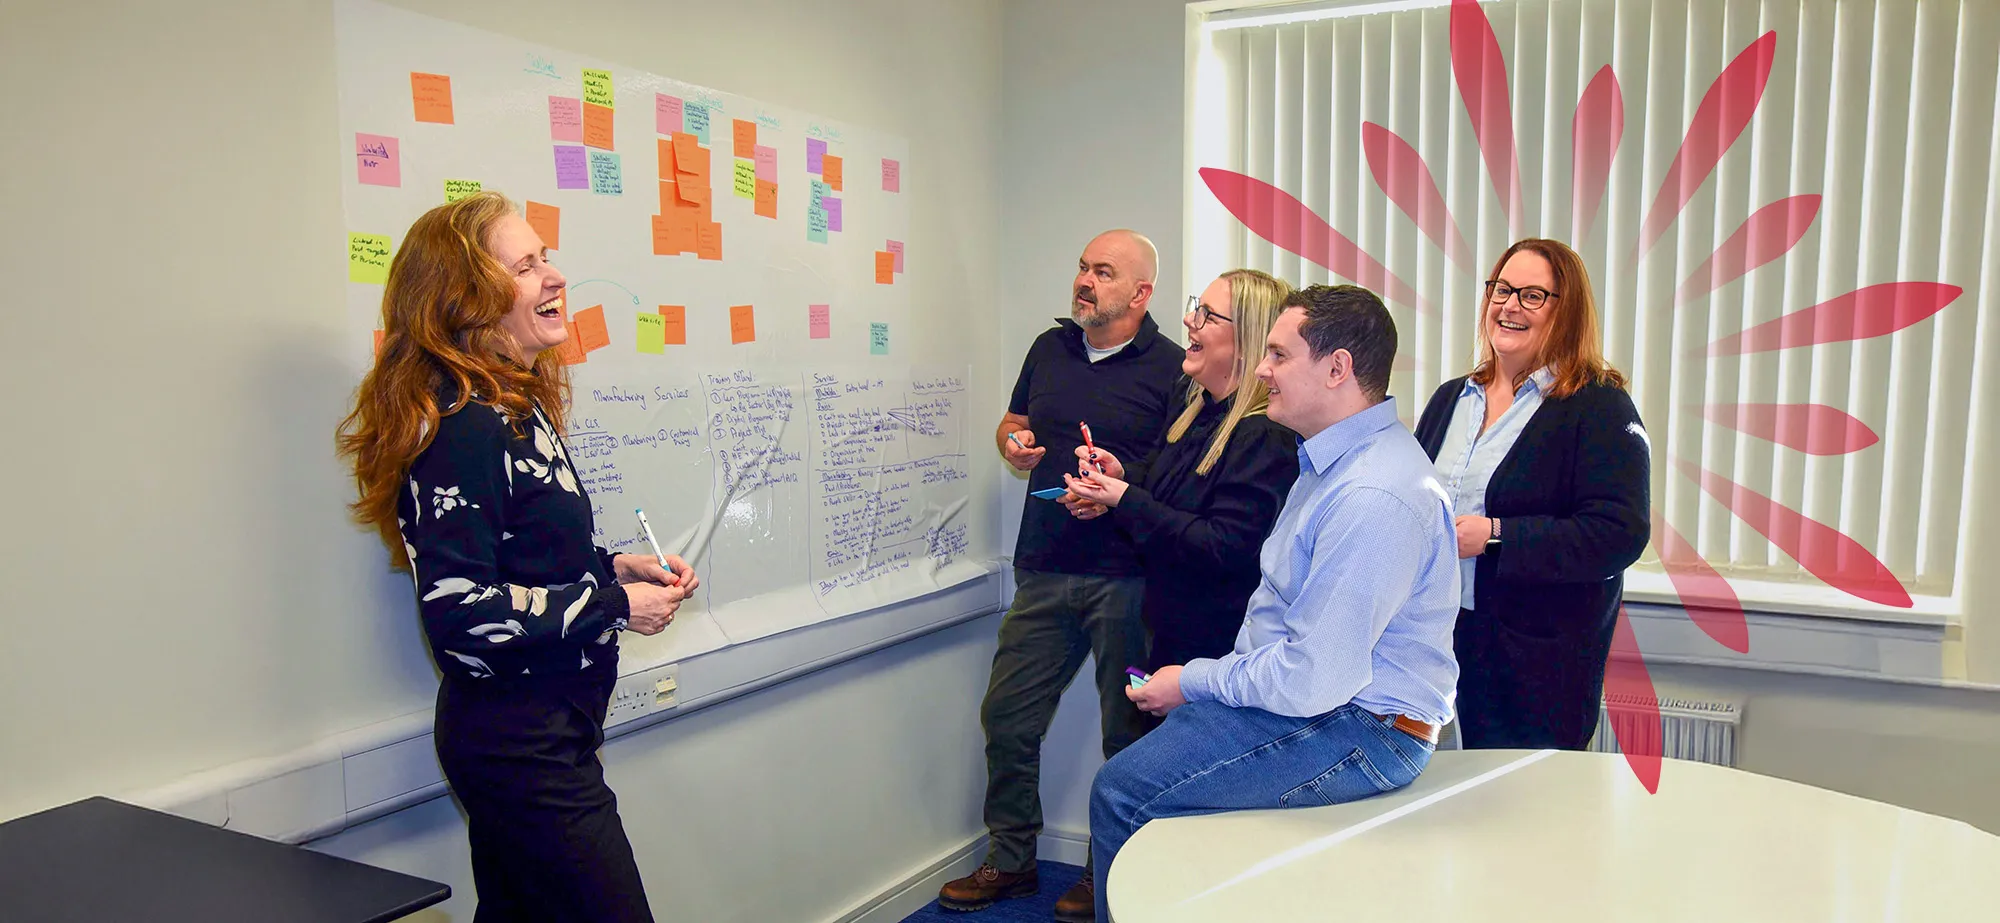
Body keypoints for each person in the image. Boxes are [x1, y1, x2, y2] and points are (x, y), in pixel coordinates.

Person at [336, 191, 697, 923]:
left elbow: (520, 564)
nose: (555, 275)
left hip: (551, 728)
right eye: (527, 265)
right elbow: (459, 613)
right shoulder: (464, 426)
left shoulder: (511, 406)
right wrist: (615, 605)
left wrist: (609, 568)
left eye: (546, 257)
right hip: (519, 745)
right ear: (468, 299)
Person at [1086, 284, 1460, 923]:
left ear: (1337, 368)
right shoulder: (1334, 463)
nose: (1261, 371)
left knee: (1122, 792)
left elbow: (1314, 677)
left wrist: (1194, 683)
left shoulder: (1372, 494)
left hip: (1365, 726)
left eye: (1280, 356)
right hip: (1333, 705)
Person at [938, 230, 1185, 920]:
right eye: (1081, 266)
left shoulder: (1173, 369)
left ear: (1140, 293)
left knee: (1126, 736)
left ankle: (1107, 871)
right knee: (1008, 717)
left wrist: (1118, 483)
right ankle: (1012, 861)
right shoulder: (1048, 348)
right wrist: (1013, 444)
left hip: (1129, 579)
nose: (1084, 280)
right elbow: (1012, 425)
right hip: (1044, 566)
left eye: (1103, 272)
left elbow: (1176, 476)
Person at [1413, 238, 1650, 750]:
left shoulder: (1600, 406)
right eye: (1501, 289)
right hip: (1433, 639)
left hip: (1533, 662)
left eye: (1532, 295)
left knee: (1521, 816)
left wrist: (1496, 536)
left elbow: (1619, 533)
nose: (1509, 305)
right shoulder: (1452, 398)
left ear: (1567, 312)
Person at [1060, 268, 1300, 675]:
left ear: (1247, 340)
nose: (1190, 320)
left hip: (1215, 653)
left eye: (1208, 315)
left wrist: (1123, 498)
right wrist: (1123, 475)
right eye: (1196, 308)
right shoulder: (1195, 406)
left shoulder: (1263, 436)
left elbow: (1221, 546)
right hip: (1167, 633)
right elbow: (1170, 490)